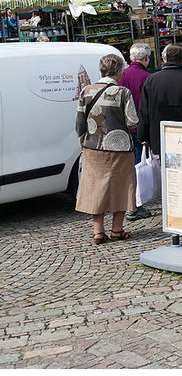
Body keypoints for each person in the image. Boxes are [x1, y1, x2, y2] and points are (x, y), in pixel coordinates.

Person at [75, 53, 139, 244]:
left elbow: (79, 124)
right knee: (121, 187)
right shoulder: (123, 92)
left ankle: (98, 232)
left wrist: (84, 143)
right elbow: (132, 121)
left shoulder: (85, 91)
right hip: (120, 148)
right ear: (118, 72)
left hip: (93, 147)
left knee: (96, 188)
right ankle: (117, 230)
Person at [119, 42, 153, 221]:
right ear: (147, 58)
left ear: (131, 58)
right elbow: (149, 108)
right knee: (142, 165)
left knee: (131, 166)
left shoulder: (121, 75)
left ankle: (132, 202)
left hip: (123, 127)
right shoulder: (147, 77)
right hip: (140, 127)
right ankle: (136, 204)